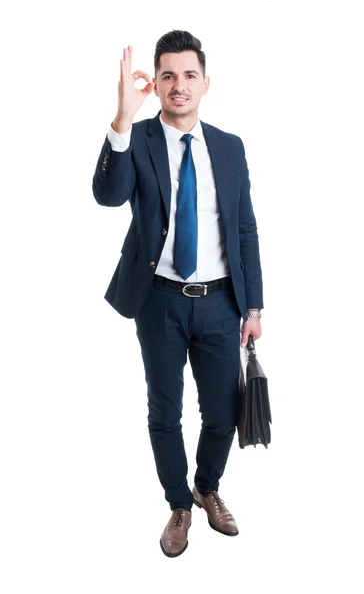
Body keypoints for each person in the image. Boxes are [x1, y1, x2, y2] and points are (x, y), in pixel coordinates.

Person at [92, 30, 263, 557]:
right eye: (167, 75)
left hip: (220, 303)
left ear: (206, 83)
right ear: (156, 83)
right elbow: (107, 195)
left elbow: (245, 229)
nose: (178, 86)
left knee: (221, 413)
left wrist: (254, 304)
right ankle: (179, 506)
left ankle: (206, 487)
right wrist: (121, 118)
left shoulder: (230, 148)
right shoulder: (137, 139)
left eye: (189, 75)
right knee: (164, 412)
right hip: (159, 300)